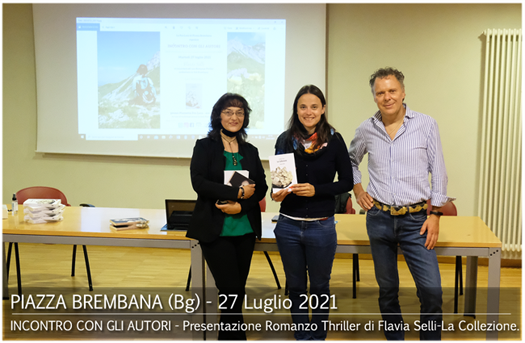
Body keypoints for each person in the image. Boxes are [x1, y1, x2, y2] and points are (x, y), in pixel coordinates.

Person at [348, 67, 455, 340]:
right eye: (380, 93)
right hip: (379, 219)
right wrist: (358, 189)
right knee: (387, 290)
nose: (387, 97)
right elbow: (350, 161)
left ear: (403, 92)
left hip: (417, 221)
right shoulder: (366, 129)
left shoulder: (426, 124)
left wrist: (437, 214)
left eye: (392, 90)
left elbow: (439, 170)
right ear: (374, 97)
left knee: (431, 290)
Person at [272, 85, 354, 340]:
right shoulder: (285, 140)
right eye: (303, 107)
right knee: (295, 286)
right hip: (288, 225)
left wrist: (316, 190)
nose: (308, 112)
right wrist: (277, 192)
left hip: (321, 225)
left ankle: (317, 336)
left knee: (319, 286)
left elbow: (347, 182)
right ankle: (302, 336)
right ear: (296, 110)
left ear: (323, 109)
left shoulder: (335, 140)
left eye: (314, 106)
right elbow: (278, 183)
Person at [187, 93, 268, 340]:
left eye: (240, 112)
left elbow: (262, 187)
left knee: (236, 292)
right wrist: (237, 192)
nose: (234, 117)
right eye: (228, 112)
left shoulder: (250, 150)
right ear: (218, 116)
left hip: (244, 228)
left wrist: (241, 206)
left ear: (245, 118)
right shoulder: (204, 146)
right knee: (230, 290)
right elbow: (199, 182)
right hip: (215, 228)